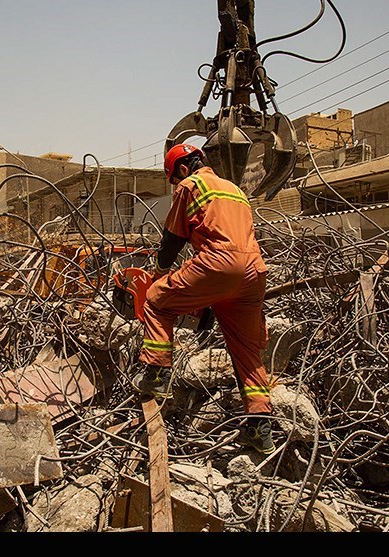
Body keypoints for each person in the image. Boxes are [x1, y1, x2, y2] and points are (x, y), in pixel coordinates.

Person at [132, 143, 275, 454]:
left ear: (182, 168)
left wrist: (159, 272)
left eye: (173, 178)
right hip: (254, 271)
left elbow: (173, 238)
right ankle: (260, 426)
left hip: (218, 264)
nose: (175, 184)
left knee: (156, 300)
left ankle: (156, 373)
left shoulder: (191, 184)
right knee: (246, 348)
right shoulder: (235, 189)